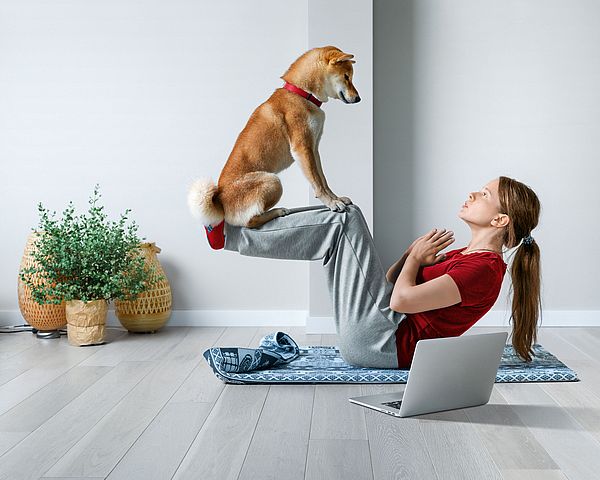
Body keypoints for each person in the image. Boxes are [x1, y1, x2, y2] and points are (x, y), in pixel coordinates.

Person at [203, 176, 541, 369]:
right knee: (342, 219)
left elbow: (403, 301)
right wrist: (411, 255)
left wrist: (415, 260)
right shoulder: (464, 255)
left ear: (500, 220)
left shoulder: (483, 270)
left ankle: (231, 234)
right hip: (379, 333)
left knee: (345, 217)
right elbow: (391, 284)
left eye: (484, 194)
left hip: (383, 344)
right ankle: (235, 230)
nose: (472, 193)